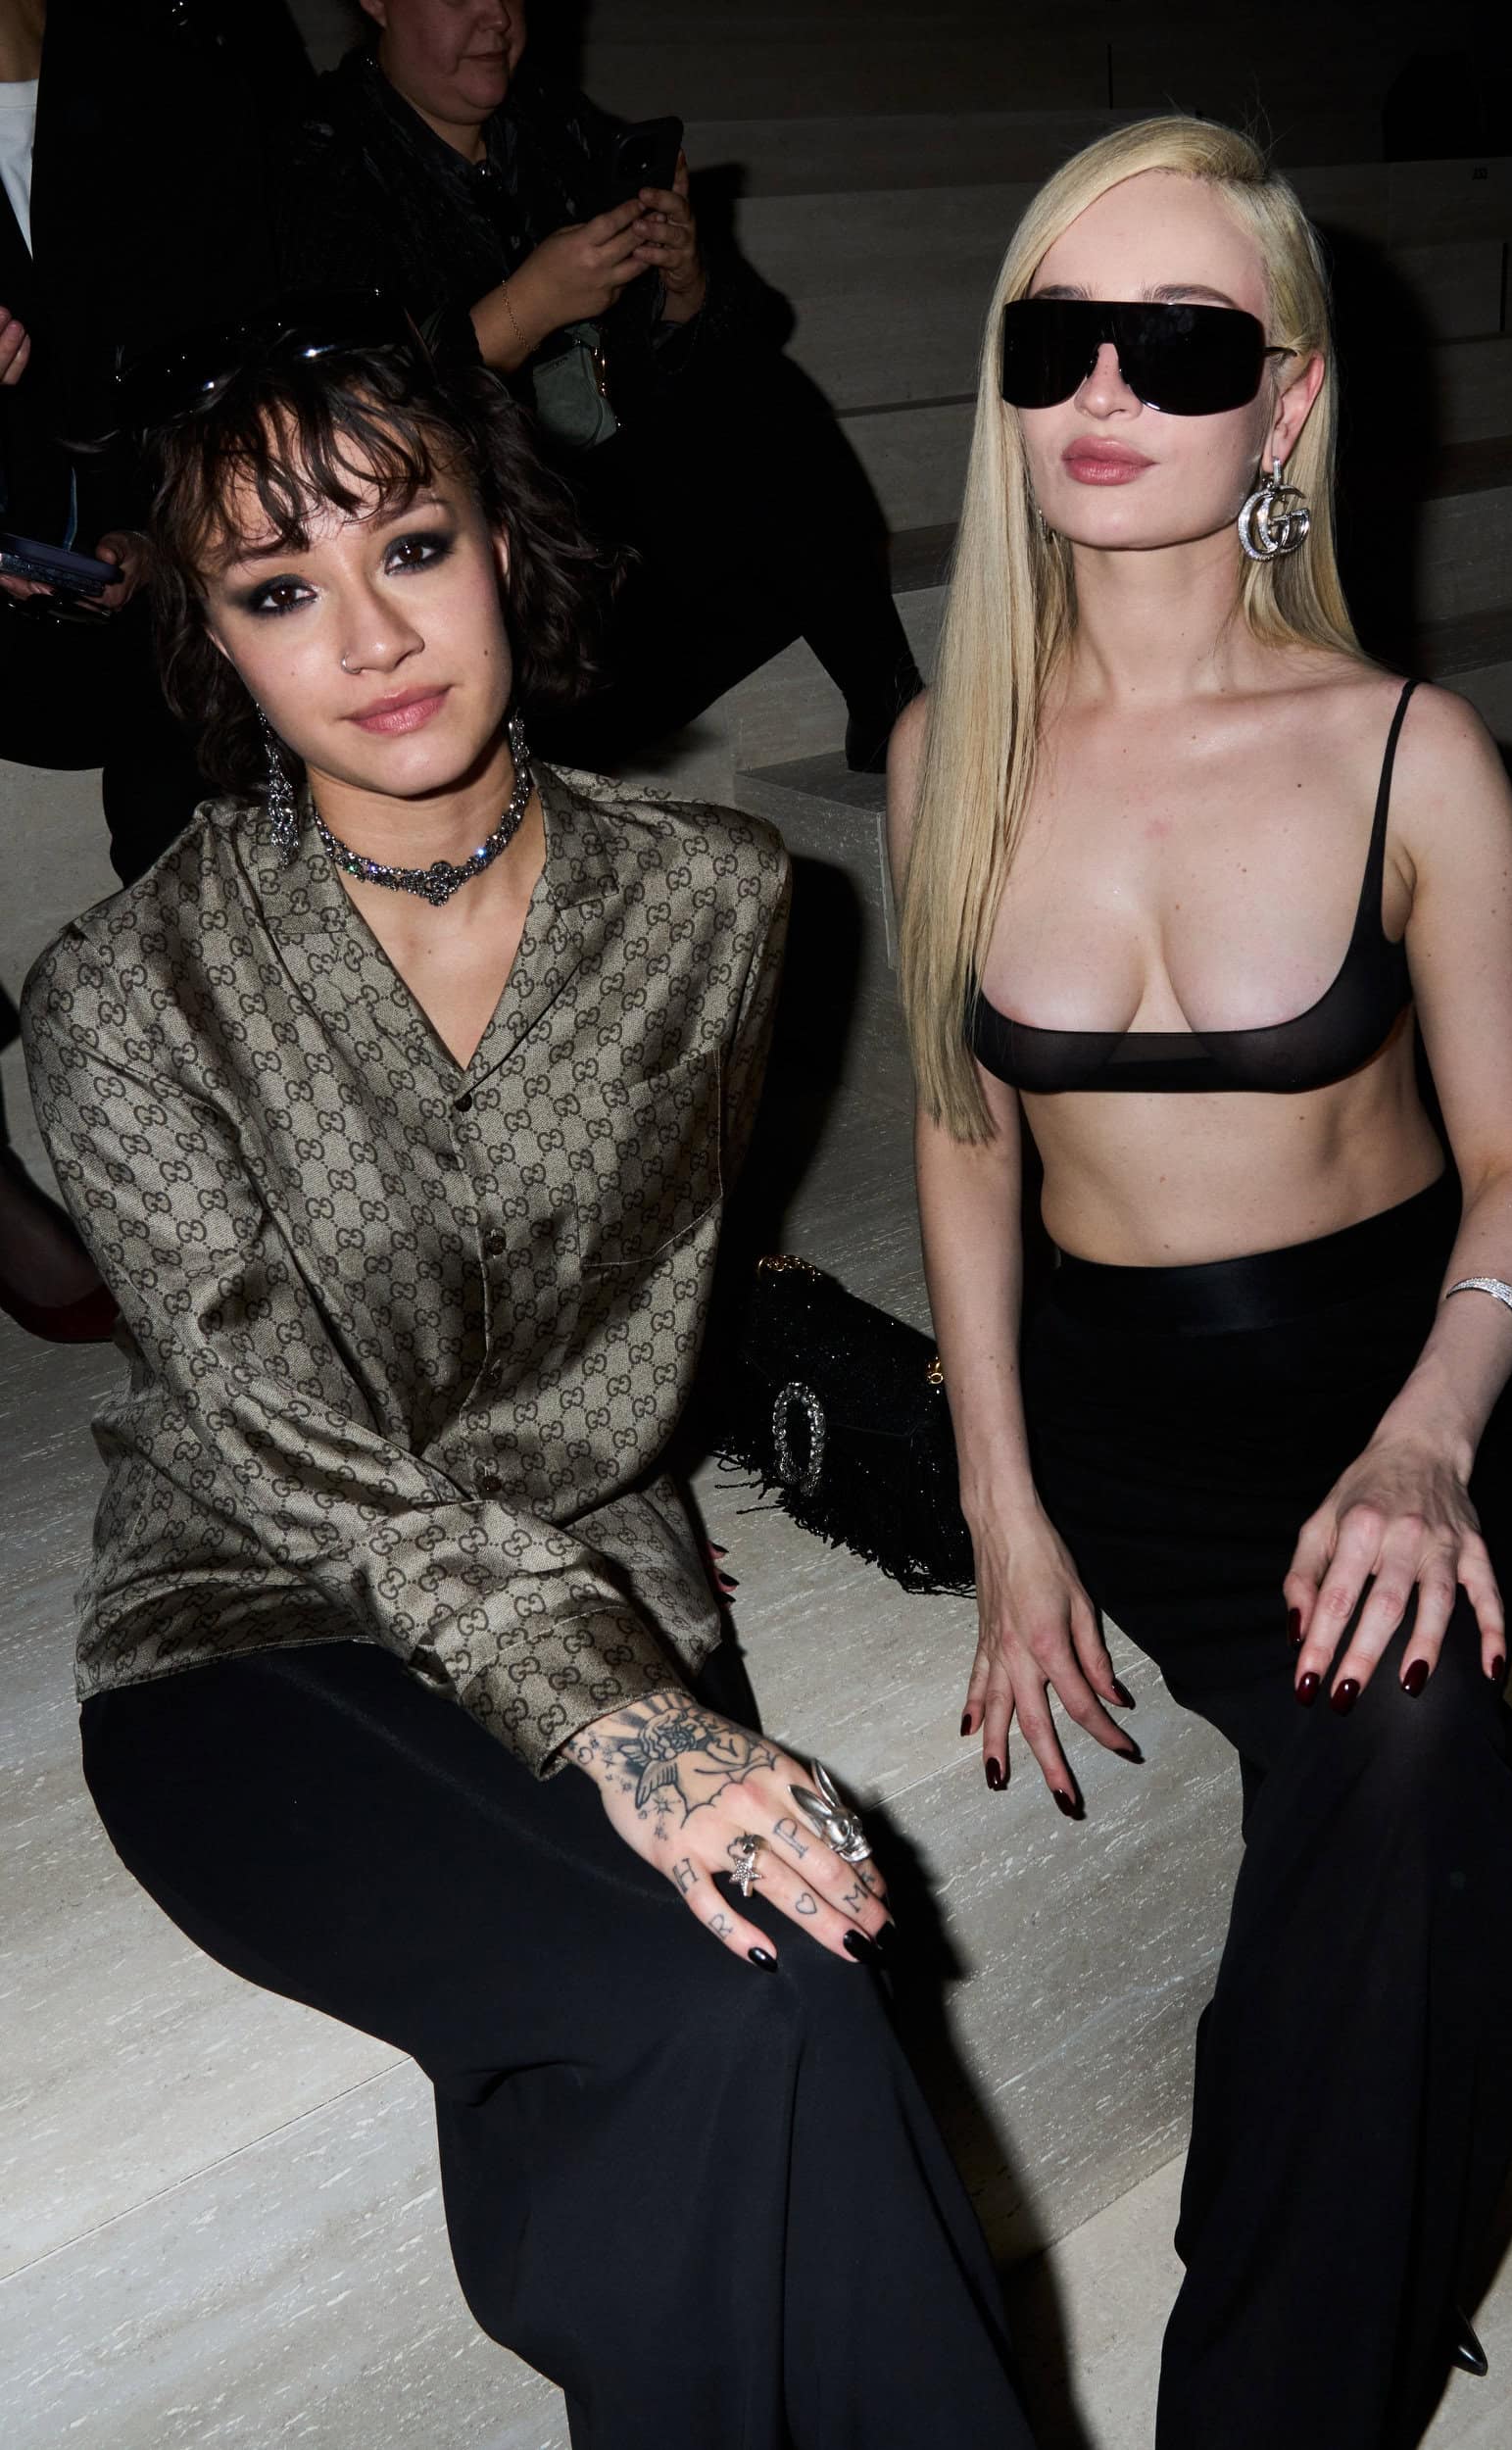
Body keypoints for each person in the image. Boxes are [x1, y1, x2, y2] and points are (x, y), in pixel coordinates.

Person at [20, 301, 1038, 2450]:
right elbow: (263, 1424)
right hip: (255, 1620)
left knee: (768, 2000)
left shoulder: (722, 900)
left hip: (589, 1577)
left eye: (411, 546)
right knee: (734, 2006)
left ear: (504, 541)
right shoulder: (125, 993)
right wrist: (613, 1707)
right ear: (214, 642)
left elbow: (654, 1283)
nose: (371, 636)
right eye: (278, 589)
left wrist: (633, 1525)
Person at [888, 118, 1512, 2450]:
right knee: (1436, 1829)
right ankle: (1357, 2242)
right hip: (1117, 1412)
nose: (1103, 388)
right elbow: (963, 1137)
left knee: (1417, 1766)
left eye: (1180, 347)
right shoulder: (947, 751)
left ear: (1285, 402)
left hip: (1395, 1386)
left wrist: (1432, 1435)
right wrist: (1001, 1508)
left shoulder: (1412, 754)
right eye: (1056, 337)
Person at [271, 0, 921, 771]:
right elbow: (342, 424)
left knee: (763, 398)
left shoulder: (551, 121)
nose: (495, 16)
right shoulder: (317, 159)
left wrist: (683, 281)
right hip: (494, 590)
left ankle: (894, 713)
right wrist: (524, 310)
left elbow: (737, 335)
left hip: (624, 547)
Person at [0, 0, 313, 1338]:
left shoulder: (165, 67)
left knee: (211, 694)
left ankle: (256, 1135)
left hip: (128, 553)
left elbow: (223, 356)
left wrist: (152, 532)